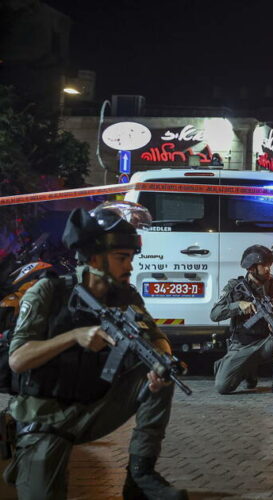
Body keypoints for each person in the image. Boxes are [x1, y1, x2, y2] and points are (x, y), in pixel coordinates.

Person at [3, 202, 187, 499]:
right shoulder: (48, 292)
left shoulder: (124, 296)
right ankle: (26, 460)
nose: (130, 266)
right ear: (94, 259)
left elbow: (156, 336)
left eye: (130, 257)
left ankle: (140, 476)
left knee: (160, 374)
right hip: (45, 419)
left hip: (91, 409)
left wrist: (160, 361)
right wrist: (74, 336)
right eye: (121, 257)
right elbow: (18, 359)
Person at [211, 245, 273, 395]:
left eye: (269, 266)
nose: (268, 269)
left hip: (266, 344)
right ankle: (245, 371)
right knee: (222, 387)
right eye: (264, 266)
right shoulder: (235, 287)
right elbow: (215, 314)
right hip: (242, 346)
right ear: (251, 269)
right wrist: (238, 306)